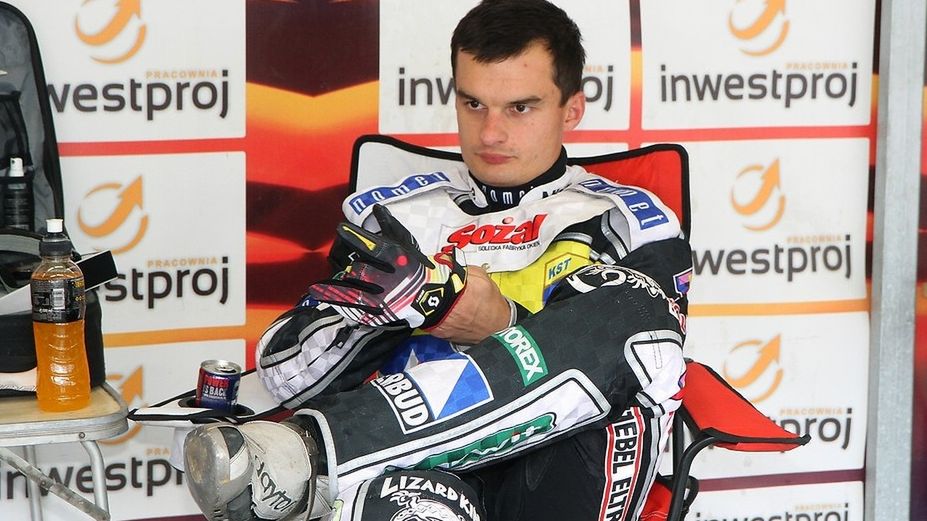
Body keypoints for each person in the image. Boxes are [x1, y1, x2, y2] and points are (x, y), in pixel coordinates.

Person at [182, 1, 692, 520]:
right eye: (473, 104)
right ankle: (316, 456)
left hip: (557, 469)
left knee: (639, 313)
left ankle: (314, 454)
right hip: (425, 473)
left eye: (520, 108)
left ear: (572, 110)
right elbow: (285, 369)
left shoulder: (628, 218)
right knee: (392, 506)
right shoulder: (394, 217)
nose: (490, 133)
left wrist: (501, 321)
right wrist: (390, 314)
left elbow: (647, 356)